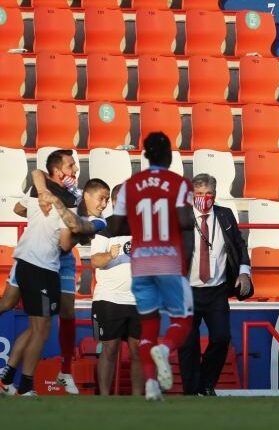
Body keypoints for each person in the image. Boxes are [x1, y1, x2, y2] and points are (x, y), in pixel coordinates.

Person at [0, 151, 107, 396]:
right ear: (57, 171)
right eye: (71, 166)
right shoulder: (51, 191)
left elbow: (67, 241)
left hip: (44, 259)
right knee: (36, 321)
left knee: (42, 320)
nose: (76, 171)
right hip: (41, 262)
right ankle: (25, 385)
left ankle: (18, 377)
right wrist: (42, 211)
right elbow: (63, 241)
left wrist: (51, 211)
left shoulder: (70, 198)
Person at [108, 131, 195, 401]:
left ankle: (150, 385)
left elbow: (117, 225)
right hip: (169, 260)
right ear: (169, 155)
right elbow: (185, 221)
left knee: (148, 325)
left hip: (141, 264)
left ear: (144, 156)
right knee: (183, 320)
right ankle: (166, 348)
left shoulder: (129, 186)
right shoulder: (179, 184)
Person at [178, 174, 252, 396]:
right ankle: (192, 391)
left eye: (208, 193)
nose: (204, 198)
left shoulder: (226, 215)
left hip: (217, 289)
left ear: (215, 195)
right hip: (186, 290)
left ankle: (206, 383)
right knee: (187, 343)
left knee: (221, 338)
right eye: (199, 194)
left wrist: (244, 272)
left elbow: (239, 245)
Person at [90, 184, 142, 396]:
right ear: (113, 202)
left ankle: (139, 400)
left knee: (138, 351)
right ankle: (104, 398)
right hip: (110, 298)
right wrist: (110, 255)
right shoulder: (104, 227)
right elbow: (95, 260)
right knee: (109, 349)